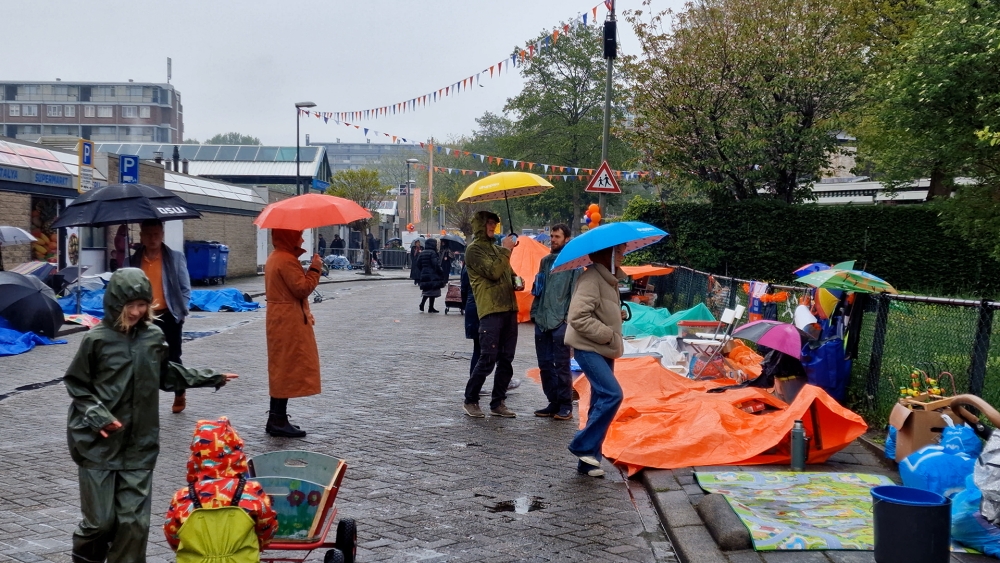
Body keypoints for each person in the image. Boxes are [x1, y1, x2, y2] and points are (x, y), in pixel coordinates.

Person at [65, 268, 237, 563]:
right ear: (115, 303)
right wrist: (97, 415)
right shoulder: (97, 339)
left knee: (134, 524)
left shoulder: (153, 336)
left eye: (141, 304)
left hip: (139, 445)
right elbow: (77, 383)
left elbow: (167, 374)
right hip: (97, 444)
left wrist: (211, 376)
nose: (135, 311)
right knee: (99, 524)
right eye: (128, 305)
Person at [164, 417, 277, 556]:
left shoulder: (183, 497)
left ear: (196, 457)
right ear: (237, 454)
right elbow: (267, 526)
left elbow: (172, 533)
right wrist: (256, 546)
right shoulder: (251, 491)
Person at [565, 243, 628, 478]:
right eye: (619, 251)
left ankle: (589, 462)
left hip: (603, 348)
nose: (623, 255)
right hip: (588, 347)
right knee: (613, 394)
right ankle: (582, 445)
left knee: (600, 399)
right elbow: (578, 317)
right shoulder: (591, 278)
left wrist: (616, 316)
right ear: (607, 254)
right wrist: (609, 334)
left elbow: (598, 311)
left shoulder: (609, 279)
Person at [265, 229, 323, 438]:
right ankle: (277, 419)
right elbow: (302, 288)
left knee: (282, 367)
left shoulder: (276, 257)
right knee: (286, 368)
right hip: (287, 319)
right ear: (288, 237)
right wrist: (315, 268)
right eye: (298, 235)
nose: (302, 239)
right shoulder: (286, 259)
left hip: (281, 317)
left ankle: (276, 416)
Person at [132, 219, 192, 414]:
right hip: (142, 317)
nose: (152, 238)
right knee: (141, 358)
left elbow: (185, 287)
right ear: (141, 236)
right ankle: (144, 397)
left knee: (173, 357)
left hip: (168, 315)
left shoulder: (174, 257)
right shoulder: (133, 260)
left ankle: (179, 392)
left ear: (162, 234)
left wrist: (181, 312)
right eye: (148, 234)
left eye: (156, 234)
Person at [463, 211, 520, 418]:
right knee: (488, 357)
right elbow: (493, 272)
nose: (492, 227)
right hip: (490, 310)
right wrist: (506, 251)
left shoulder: (497, 250)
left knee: (506, 359)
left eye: (495, 224)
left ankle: (498, 402)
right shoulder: (473, 250)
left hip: (509, 309)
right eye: (488, 224)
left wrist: (516, 281)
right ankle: (471, 400)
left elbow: (507, 273)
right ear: (479, 225)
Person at [531, 224, 581, 421]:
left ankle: (565, 404)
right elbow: (538, 289)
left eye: (557, 236)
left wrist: (567, 319)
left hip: (560, 321)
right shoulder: (544, 261)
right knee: (544, 365)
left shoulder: (574, 265)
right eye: (551, 236)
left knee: (561, 365)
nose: (553, 239)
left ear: (566, 239)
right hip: (542, 320)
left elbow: (575, 295)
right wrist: (535, 314)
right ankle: (553, 401)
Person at [416, 238, 445, 313]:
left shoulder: (422, 252)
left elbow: (418, 263)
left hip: (424, 273)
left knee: (427, 290)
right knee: (432, 290)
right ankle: (428, 306)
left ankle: (427, 306)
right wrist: (440, 271)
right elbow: (435, 264)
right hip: (432, 274)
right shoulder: (433, 253)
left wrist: (423, 269)